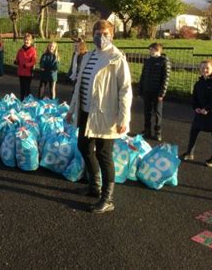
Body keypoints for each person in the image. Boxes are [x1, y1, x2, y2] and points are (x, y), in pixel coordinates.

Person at [66, 20, 132, 214]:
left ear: (111, 35)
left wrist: (123, 118)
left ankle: (107, 198)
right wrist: (71, 109)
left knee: (104, 155)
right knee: (83, 147)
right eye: (97, 33)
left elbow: (126, 90)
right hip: (86, 111)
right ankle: (94, 186)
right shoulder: (88, 56)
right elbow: (79, 85)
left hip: (106, 114)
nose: (100, 37)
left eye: (105, 33)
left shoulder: (117, 58)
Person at [180, 60, 212, 167]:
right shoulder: (198, 83)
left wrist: (208, 109)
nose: (204, 70)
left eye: (207, 68)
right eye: (202, 68)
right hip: (200, 114)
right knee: (194, 131)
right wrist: (196, 108)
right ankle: (189, 153)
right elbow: (194, 98)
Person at [139, 42, 171, 141]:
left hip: (157, 92)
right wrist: (141, 89)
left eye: (151, 49)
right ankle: (147, 130)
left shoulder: (164, 61)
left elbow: (166, 78)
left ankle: (158, 132)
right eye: (150, 49)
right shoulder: (148, 61)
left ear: (157, 50)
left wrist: (162, 93)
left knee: (157, 113)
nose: (150, 51)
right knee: (146, 112)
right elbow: (143, 75)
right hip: (147, 90)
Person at [14, 33, 37, 101]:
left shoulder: (33, 50)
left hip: (28, 72)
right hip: (21, 72)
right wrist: (16, 61)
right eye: (25, 40)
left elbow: (34, 61)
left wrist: (27, 65)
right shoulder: (20, 50)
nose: (26, 41)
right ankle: (21, 101)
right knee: (22, 88)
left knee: (27, 88)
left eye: (28, 40)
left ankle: (28, 101)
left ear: (31, 41)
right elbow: (17, 58)